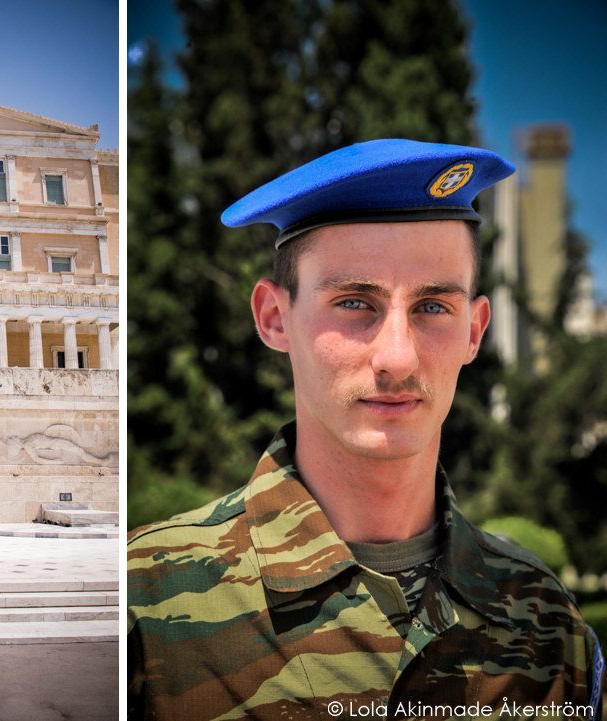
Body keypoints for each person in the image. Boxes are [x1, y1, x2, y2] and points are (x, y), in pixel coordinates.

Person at [127, 139, 604, 720]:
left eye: (432, 307)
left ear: (474, 331)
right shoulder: (147, 603)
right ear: (275, 319)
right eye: (355, 303)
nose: (398, 357)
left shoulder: (547, 622)